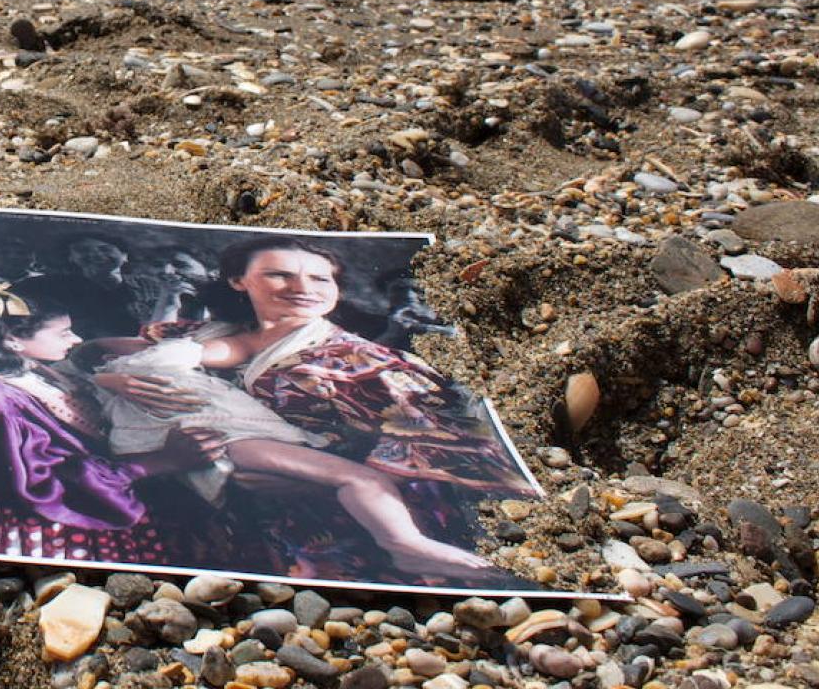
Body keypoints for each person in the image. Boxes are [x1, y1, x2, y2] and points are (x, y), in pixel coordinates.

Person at [99, 236, 535, 583]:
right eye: (279, 275)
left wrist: (311, 480)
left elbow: (442, 441)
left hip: (343, 517)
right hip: (230, 517)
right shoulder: (209, 333)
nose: (303, 289)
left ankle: (407, 548)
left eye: (321, 280)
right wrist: (112, 379)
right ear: (239, 280)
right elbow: (94, 351)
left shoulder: (360, 361)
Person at [0, 295, 225, 563]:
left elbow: (84, 362)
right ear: (13, 340)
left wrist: (107, 379)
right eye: (64, 333)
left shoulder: (30, 367)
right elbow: (45, 482)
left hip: (85, 476)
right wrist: (162, 461)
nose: (76, 339)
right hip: (45, 505)